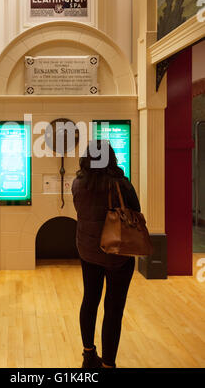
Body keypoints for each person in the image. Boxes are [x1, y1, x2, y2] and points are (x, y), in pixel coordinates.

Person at [72, 140, 140, 369]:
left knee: (90, 300)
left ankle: (88, 354)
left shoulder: (78, 183)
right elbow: (135, 212)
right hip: (117, 253)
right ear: (110, 158)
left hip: (88, 250)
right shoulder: (120, 183)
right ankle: (108, 364)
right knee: (113, 308)